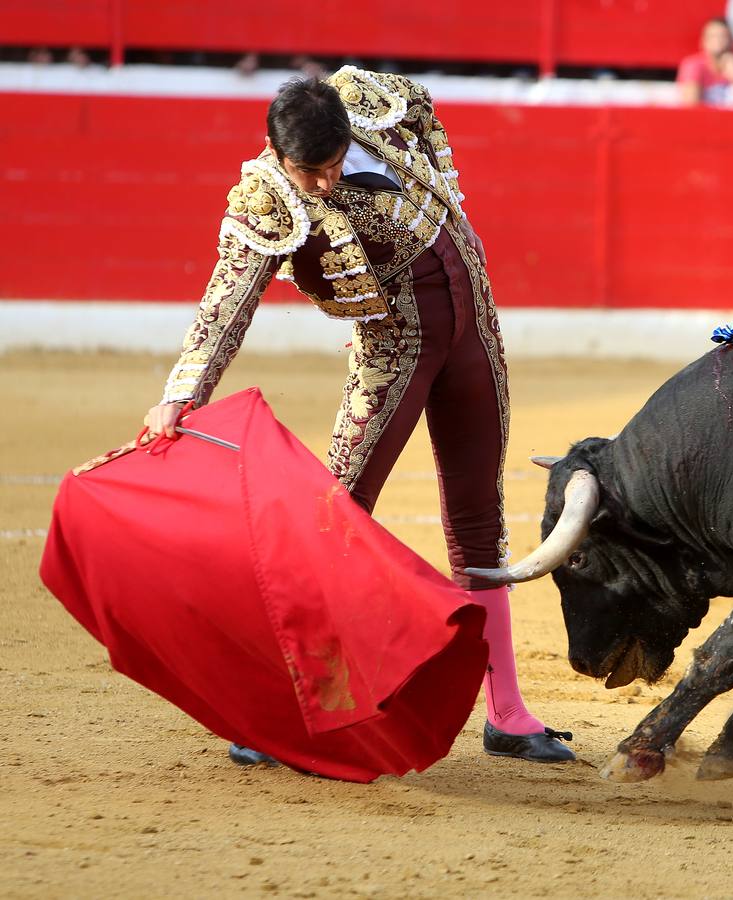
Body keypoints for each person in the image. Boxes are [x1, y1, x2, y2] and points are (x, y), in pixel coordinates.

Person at [143, 69, 575, 767]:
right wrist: (182, 391)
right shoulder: (267, 197)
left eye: (335, 163)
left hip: (474, 331)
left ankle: (507, 712)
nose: (325, 180)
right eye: (310, 170)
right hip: (394, 346)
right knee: (335, 518)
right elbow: (228, 299)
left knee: (478, 516)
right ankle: (285, 707)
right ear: (278, 155)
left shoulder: (368, 100)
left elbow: (426, 115)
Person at [677, 17, 733, 108]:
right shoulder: (693, 65)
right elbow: (691, 106)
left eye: (723, 36)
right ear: (703, 41)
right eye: (712, 36)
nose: (718, 41)